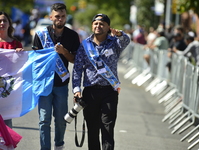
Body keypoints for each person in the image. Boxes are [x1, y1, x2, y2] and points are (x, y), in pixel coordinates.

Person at [72, 14, 130, 150]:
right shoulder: (85, 45)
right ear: (92, 26)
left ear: (108, 27)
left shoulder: (114, 43)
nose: (98, 26)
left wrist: (120, 33)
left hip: (109, 91)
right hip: (90, 92)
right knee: (92, 130)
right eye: (95, 23)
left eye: (102, 24)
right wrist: (76, 90)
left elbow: (126, 41)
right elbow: (77, 69)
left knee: (107, 129)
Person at [32, 3, 80, 150]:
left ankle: (59, 144)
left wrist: (64, 52)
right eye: (57, 16)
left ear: (66, 17)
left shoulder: (72, 35)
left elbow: (74, 59)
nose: (60, 19)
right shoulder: (40, 35)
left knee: (60, 120)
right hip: (44, 83)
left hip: (61, 84)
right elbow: (33, 59)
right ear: (51, 16)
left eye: (63, 16)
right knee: (44, 120)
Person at [0, 11, 24, 129]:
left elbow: (21, 66)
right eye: (0, 21)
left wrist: (20, 54)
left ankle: (6, 145)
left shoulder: (16, 43)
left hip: (7, 88)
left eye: (5, 20)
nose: (2, 23)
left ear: (9, 24)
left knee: (6, 122)